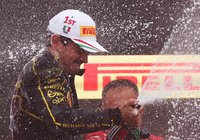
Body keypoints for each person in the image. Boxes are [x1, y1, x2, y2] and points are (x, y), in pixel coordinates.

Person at [10, 9, 144, 140]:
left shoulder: (54, 67)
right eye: (80, 50)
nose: (85, 59)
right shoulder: (44, 67)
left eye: (87, 52)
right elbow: (61, 120)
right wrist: (117, 115)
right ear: (56, 42)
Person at [83, 79, 165, 140]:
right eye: (117, 111)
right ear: (104, 113)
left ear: (141, 109)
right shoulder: (94, 138)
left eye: (130, 107)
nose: (126, 113)